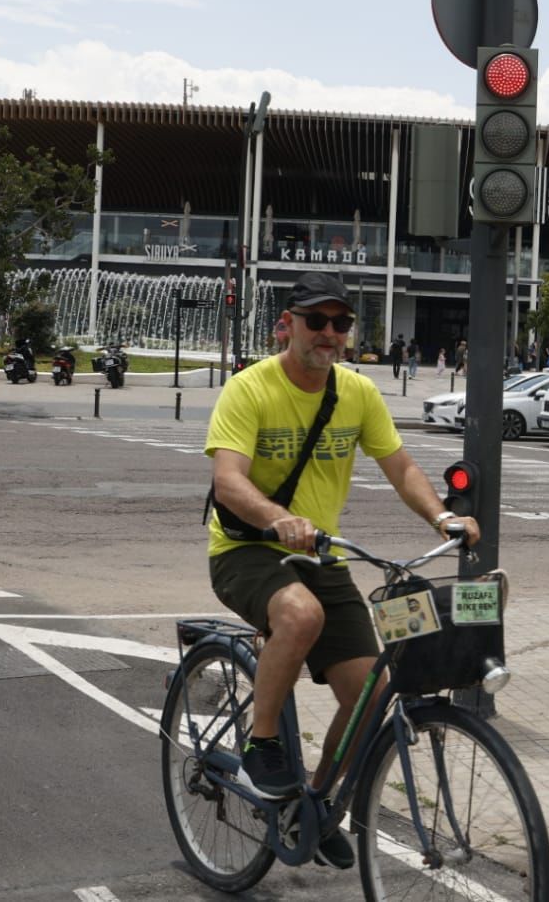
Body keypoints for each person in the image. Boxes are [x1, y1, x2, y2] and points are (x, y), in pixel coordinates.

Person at [204, 272, 480, 870]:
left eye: (340, 323)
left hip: (319, 554)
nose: (329, 333)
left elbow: (401, 466)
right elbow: (228, 481)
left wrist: (442, 517)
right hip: (245, 549)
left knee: (372, 697)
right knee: (300, 614)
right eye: (316, 321)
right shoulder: (250, 389)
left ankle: (313, 801)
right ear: (288, 325)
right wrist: (278, 519)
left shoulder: (356, 393)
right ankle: (264, 740)